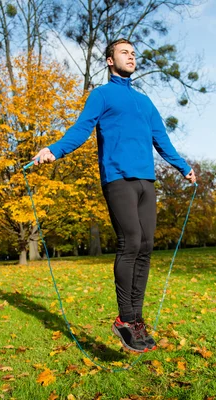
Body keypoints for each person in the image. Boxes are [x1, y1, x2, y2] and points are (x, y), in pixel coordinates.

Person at [33, 38, 196, 353]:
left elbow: (161, 139)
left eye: (134, 53)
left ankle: (135, 321)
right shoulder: (102, 95)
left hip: (146, 181)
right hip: (118, 179)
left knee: (146, 246)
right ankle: (125, 318)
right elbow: (81, 130)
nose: (131, 56)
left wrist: (183, 167)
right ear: (110, 60)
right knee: (130, 241)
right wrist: (54, 150)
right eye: (124, 52)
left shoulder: (145, 102)